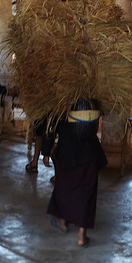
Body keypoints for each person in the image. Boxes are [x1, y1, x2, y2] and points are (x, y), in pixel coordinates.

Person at [41, 99, 107, 247]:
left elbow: (49, 129)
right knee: (87, 193)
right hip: (90, 153)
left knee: (64, 190)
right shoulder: (92, 100)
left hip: (68, 154)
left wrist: (46, 152)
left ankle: (62, 222)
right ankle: (82, 236)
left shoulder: (60, 102)